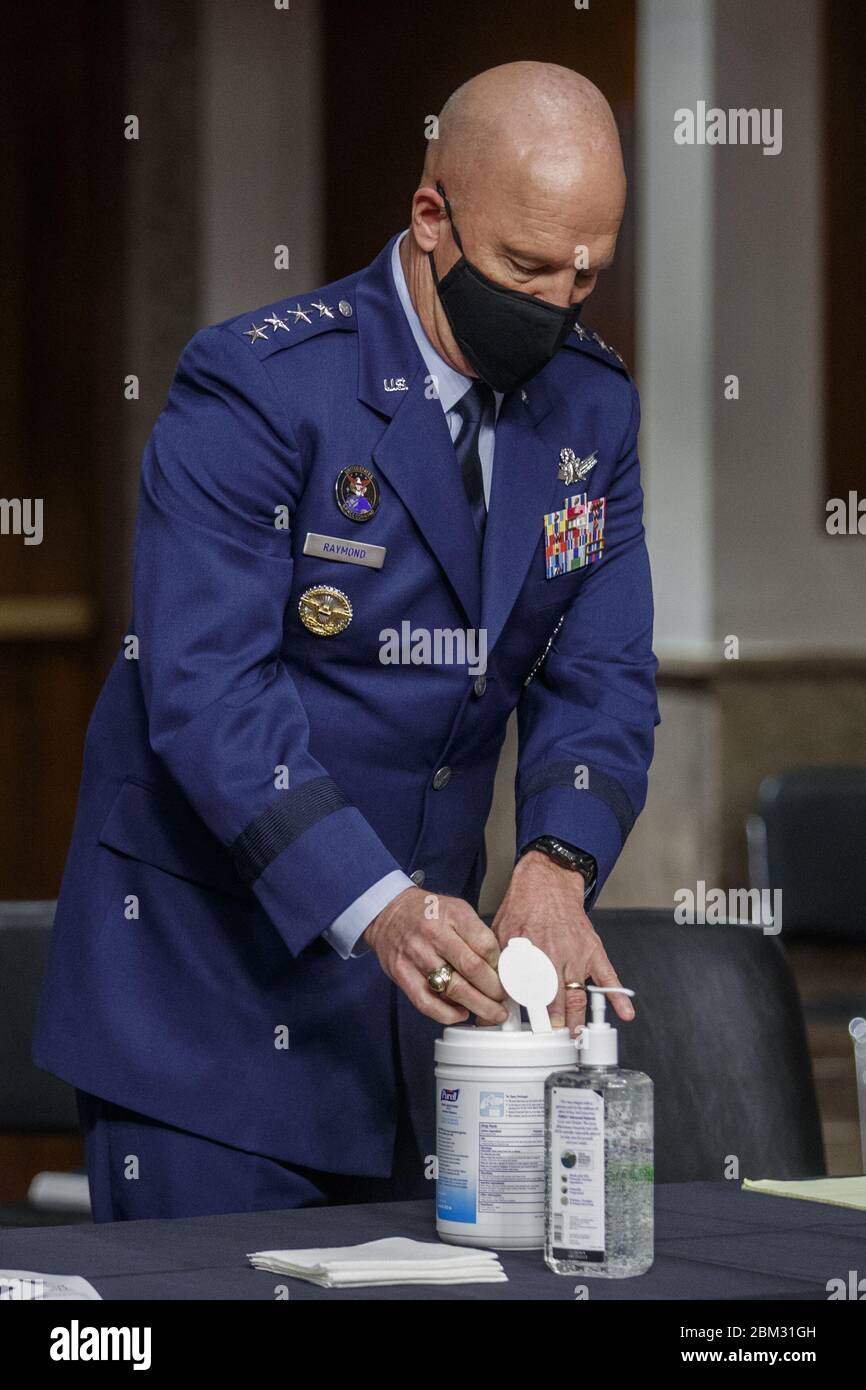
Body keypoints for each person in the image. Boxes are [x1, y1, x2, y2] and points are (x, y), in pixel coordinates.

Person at [33, 61, 660, 1221]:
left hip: (420, 1034)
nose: (560, 302)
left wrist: (553, 865)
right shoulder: (263, 383)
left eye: (589, 271)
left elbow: (599, 668)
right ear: (432, 218)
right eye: (524, 266)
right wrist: (373, 901)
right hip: (204, 1006)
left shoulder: (593, 404)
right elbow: (208, 689)